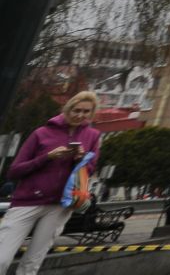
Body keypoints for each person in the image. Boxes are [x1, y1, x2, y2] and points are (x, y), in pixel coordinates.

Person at [1, 91, 102, 275]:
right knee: (2, 258)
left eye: (86, 112)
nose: (80, 115)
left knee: (32, 262)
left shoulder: (93, 136)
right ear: (66, 109)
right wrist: (47, 157)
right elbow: (14, 171)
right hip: (27, 201)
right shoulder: (42, 133)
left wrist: (79, 160)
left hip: (60, 205)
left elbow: (90, 171)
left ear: (92, 113)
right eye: (76, 110)